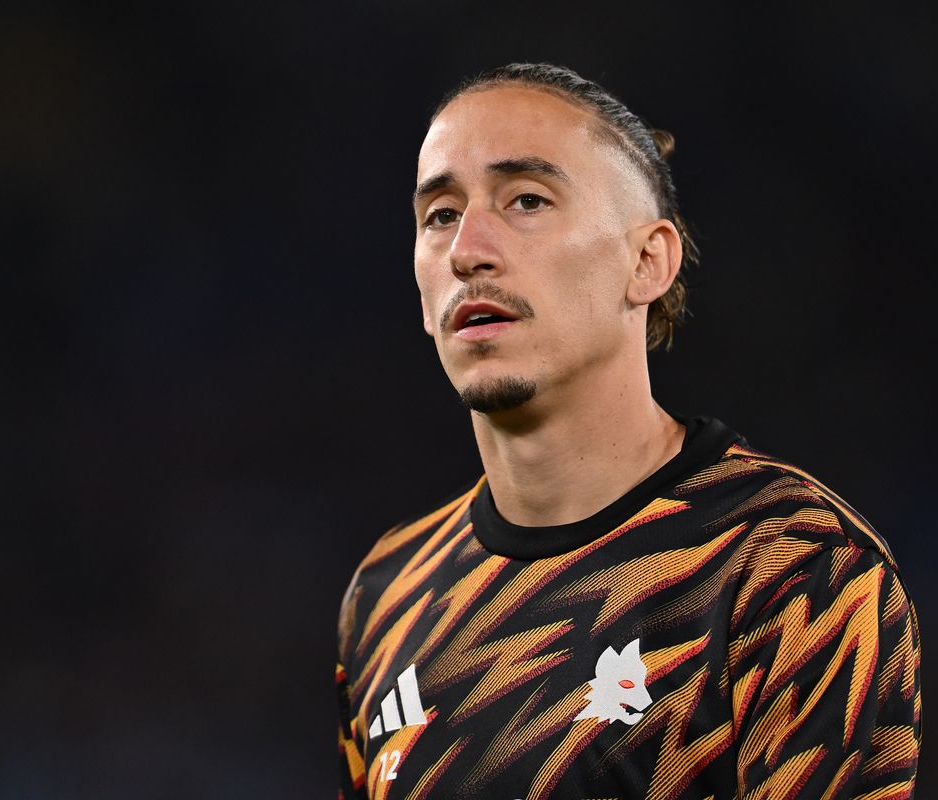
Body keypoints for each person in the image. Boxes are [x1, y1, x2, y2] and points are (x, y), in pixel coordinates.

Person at [335, 63, 921, 800]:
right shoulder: (386, 596)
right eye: (441, 215)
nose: (467, 250)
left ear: (647, 262)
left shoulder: (793, 570)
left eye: (527, 200)